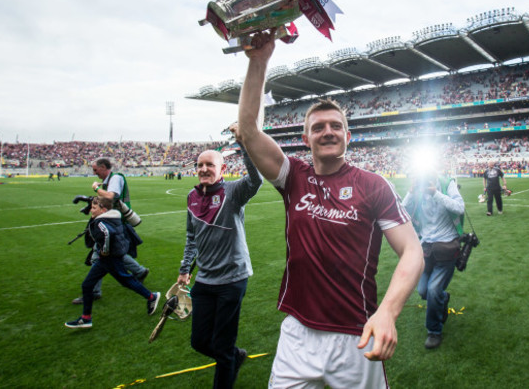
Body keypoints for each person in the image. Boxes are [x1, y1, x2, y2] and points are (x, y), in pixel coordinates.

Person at [237, 33, 424, 389]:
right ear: (305, 139)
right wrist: (259, 60)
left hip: (356, 331)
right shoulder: (292, 176)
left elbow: (412, 252)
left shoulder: (373, 185)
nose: (328, 132)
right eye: (318, 127)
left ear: (348, 136)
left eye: (336, 126)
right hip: (298, 332)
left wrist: (387, 312)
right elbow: (248, 131)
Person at [177, 124, 262, 389]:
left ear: (222, 169)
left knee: (222, 346)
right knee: (199, 341)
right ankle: (234, 356)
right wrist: (184, 268)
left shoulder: (234, 192)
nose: (204, 169)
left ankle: (229, 359)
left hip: (232, 279)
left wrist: (245, 144)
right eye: (200, 165)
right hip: (205, 279)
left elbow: (256, 180)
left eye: (210, 165)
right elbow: (192, 236)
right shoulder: (191, 196)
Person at [65, 196, 160, 329]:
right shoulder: (109, 218)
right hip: (106, 259)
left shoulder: (101, 222)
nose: (91, 211)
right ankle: (86, 318)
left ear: (103, 210)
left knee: (126, 281)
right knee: (87, 285)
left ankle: (151, 296)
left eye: (94, 208)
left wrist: (104, 250)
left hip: (110, 259)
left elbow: (107, 233)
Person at [72, 158, 149, 305]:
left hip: (115, 222)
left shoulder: (115, 178)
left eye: (95, 170)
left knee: (99, 255)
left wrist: (95, 188)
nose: (95, 173)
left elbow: (111, 197)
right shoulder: (109, 181)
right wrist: (89, 207)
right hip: (113, 221)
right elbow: (105, 201)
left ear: (102, 167)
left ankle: (94, 291)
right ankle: (139, 271)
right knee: (115, 254)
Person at [402, 171, 464, 349]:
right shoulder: (417, 190)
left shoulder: (446, 184)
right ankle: (442, 299)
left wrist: (435, 193)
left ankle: (434, 331)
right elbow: (400, 212)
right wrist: (412, 191)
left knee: (433, 288)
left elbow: (459, 207)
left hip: (446, 248)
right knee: (423, 291)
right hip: (426, 248)